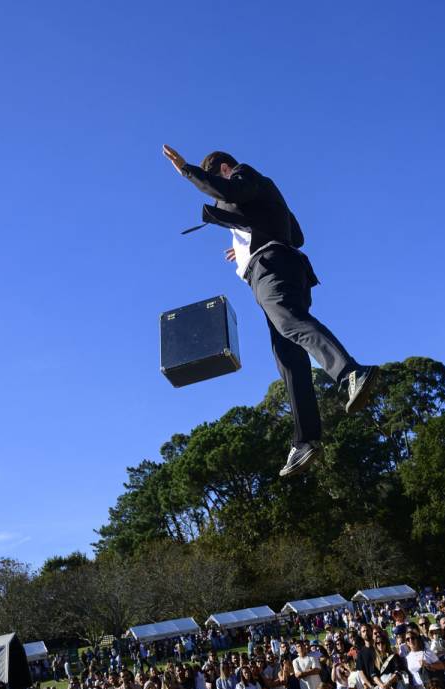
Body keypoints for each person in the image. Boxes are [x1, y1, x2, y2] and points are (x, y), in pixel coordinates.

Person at [162, 145, 379, 477]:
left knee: (290, 322)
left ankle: (351, 373)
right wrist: (248, 237)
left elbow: (229, 190)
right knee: (288, 356)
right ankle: (305, 440)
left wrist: (188, 171)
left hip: (272, 268)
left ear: (222, 169)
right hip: (282, 265)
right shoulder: (260, 197)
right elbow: (298, 235)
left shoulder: (242, 173)